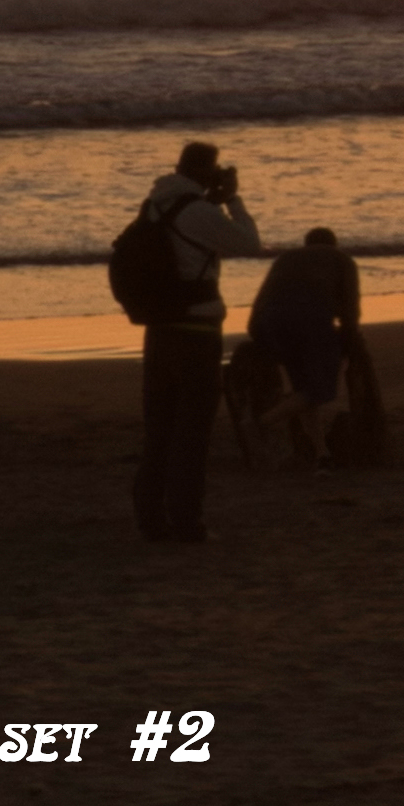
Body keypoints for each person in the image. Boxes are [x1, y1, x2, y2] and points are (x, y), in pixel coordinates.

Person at [130, 141, 267, 542]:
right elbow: (249, 243)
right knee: (192, 432)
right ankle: (187, 521)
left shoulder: (155, 205)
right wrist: (233, 200)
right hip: (197, 333)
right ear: (207, 173)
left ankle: (149, 518)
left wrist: (212, 197)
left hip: (159, 330)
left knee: (159, 430)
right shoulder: (198, 212)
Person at [242, 227, 362, 466]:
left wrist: (258, 334)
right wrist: (349, 340)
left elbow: (263, 297)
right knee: (321, 390)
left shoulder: (286, 258)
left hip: (268, 323)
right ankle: (261, 423)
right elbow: (350, 309)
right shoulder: (341, 259)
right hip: (310, 323)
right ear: (334, 244)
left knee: (303, 390)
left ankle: (321, 452)